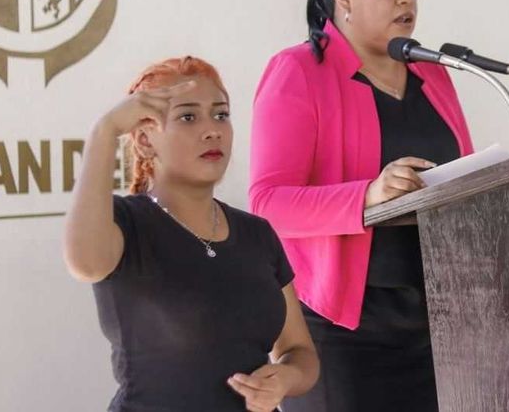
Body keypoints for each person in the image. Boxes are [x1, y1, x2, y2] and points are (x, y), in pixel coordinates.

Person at [249, 0, 474, 411]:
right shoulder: (299, 72)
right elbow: (267, 204)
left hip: (442, 326)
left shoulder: (433, 74)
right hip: (342, 332)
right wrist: (366, 196)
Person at [63, 56, 319, 411]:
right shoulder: (126, 222)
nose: (212, 129)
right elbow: (84, 263)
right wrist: (104, 131)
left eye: (221, 115)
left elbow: (300, 352)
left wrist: (286, 378)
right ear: (144, 140)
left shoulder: (257, 234)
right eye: (187, 117)